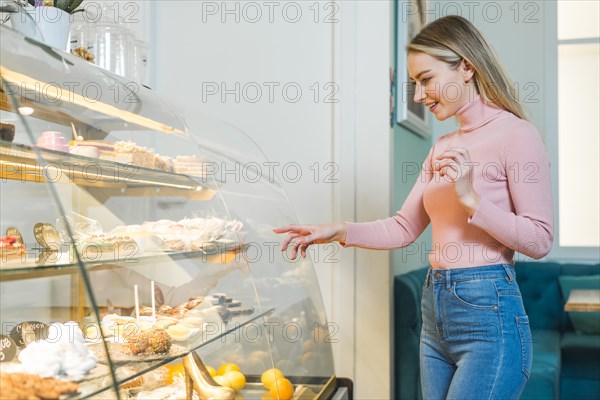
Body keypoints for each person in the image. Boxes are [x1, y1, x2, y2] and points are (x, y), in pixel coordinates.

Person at [274, 15, 554, 400]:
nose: (419, 96)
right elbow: (404, 227)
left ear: (466, 67)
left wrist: (472, 199)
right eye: (414, 85)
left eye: (426, 79)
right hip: (435, 309)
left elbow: (540, 240)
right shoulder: (442, 145)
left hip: (490, 315)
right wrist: (338, 230)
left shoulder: (517, 135)